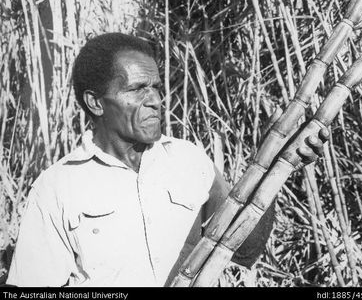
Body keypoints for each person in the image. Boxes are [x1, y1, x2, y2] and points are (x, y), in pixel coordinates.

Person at [6, 33, 328, 287]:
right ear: (95, 103)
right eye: (138, 89)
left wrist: (274, 167)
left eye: (157, 88)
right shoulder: (57, 187)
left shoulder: (188, 160)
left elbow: (244, 251)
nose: (156, 101)